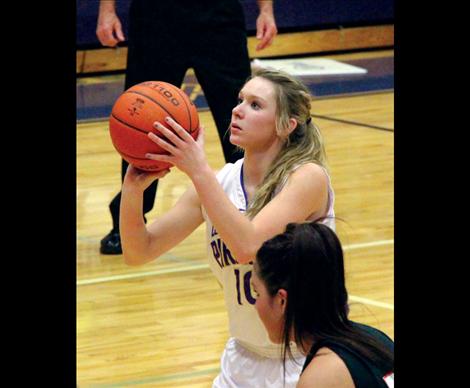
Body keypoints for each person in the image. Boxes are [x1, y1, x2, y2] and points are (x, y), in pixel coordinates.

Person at [119, 68, 335, 387]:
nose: (237, 110)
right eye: (240, 100)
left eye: (255, 104)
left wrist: (197, 169)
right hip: (241, 359)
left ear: (286, 125)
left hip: (306, 362)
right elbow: (139, 251)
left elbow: (248, 246)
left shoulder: (307, 179)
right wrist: (133, 189)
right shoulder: (221, 182)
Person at [96, 0, 278, 254]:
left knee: (239, 115)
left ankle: (258, 210)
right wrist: (107, 11)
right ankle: (126, 221)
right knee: (142, 121)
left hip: (219, 17)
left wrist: (266, 11)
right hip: (155, 18)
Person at [251, 221, 394, 388]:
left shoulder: (322, 377)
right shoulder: (373, 337)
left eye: (257, 293)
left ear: (282, 300)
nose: (255, 304)